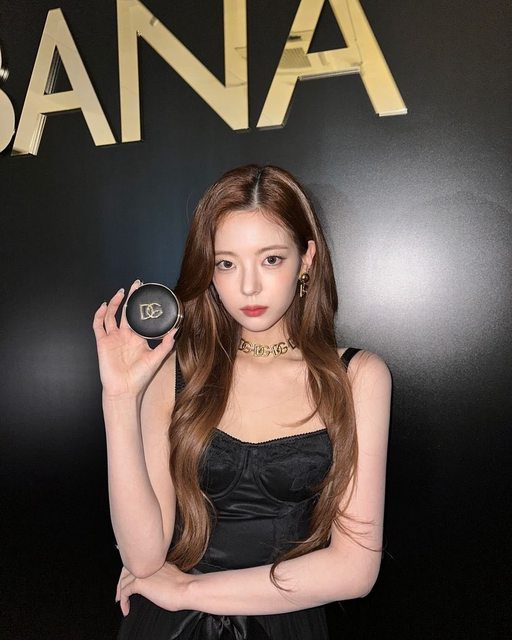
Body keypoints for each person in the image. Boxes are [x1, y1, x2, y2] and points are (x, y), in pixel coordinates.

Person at [92, 165, 391, 639]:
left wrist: (188, 590)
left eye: (270, 259)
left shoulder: (357, 377)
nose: (248, 286)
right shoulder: (177, 372)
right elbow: (143, 557)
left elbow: (354, 570)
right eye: (226, 263)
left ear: (307, 258)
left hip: (278, 621)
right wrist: (120, 398)